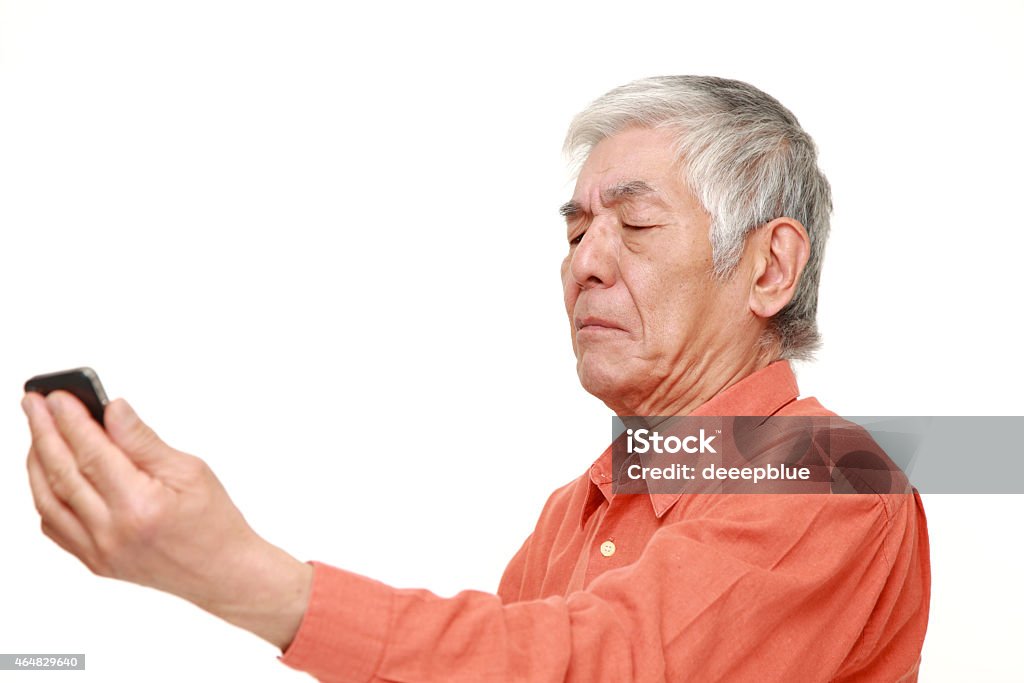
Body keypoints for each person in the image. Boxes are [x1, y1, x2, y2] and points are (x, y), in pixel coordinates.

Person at [22, 75, 930, 681]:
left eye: (636, 227)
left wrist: (247, 578)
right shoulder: (574, 507)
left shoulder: (829, 472)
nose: (585, 264)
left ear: (770, 267)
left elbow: (599, 666)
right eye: (574, 232)